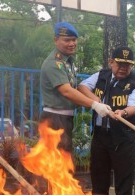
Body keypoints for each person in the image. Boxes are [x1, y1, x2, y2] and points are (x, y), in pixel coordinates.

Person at [78, 46, 135, 195]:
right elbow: (83, 86)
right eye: (120, 64)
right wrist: (96, 102)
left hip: (123, 136)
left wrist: (122, 112)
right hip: (101, 135)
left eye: (127, 65)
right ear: (111, 62)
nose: (123, 68)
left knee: (124, 175)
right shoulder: (102, 75)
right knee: (99, 172)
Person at [40, 22, 111, 155]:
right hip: (55, 119)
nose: (72, 43)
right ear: (56, 40)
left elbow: (76, 88)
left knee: (63, 161)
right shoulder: (54, 63)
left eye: (74, 40)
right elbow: (67, 91)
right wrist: (94, 105)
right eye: (67, 40)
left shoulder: (67, 61)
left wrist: (96, 100)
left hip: (64, 118)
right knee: (55, 163)